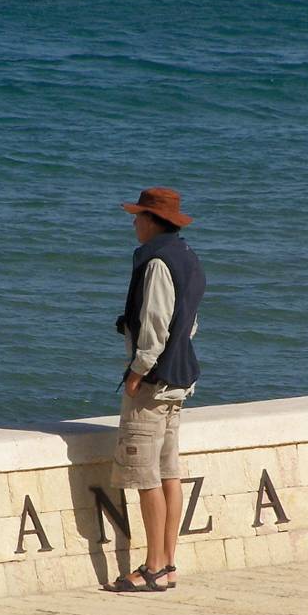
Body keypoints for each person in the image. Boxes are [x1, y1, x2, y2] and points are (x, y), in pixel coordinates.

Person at [104, 186, 206, 593]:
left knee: (147, 477)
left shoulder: (157, 263)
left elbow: (155, 324)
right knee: (168, 474)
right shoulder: (189, 258)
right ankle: (169, 564)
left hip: (154, 383)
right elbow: (190, 323)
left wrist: (137, 372)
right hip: (181, 380)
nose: (133, 222)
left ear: (152, 221)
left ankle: (153, 568)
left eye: (137, 216)